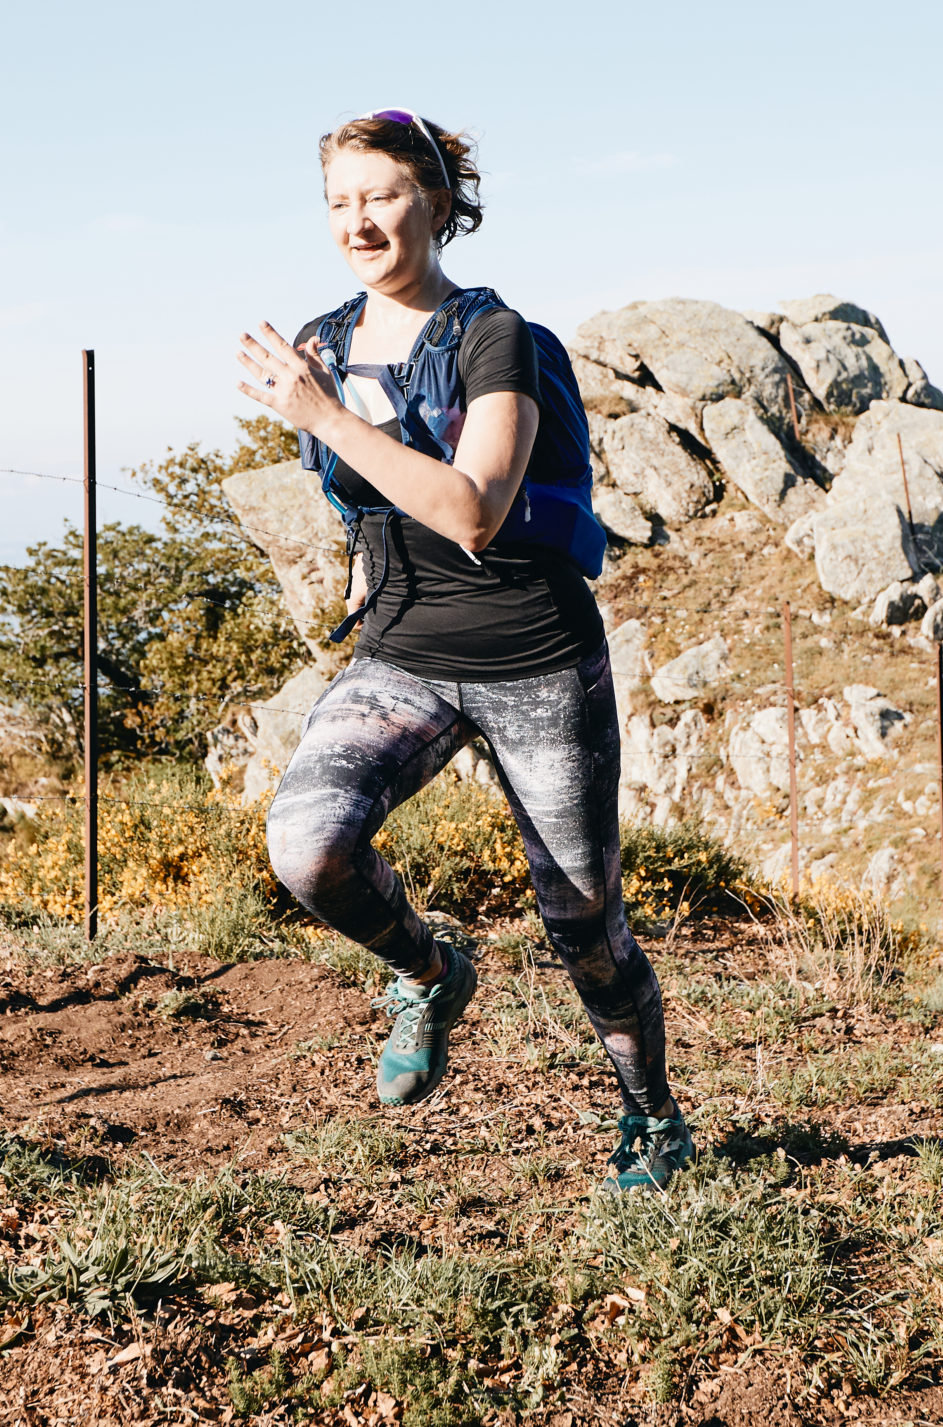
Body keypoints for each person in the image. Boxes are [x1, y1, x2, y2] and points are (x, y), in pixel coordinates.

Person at [232, 110, 691, 1193]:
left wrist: (325, 416)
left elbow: (475, 511)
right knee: (307, 848)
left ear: (436, 204)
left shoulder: (498, 338)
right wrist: (324, 437)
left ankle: (650, 1117)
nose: (359, 219)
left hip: (533, 655)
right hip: (401, 651)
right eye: (339, 201)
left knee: (582, 919)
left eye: (381, 195)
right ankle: (431, 973)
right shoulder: (325, 338)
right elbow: (364, 502)